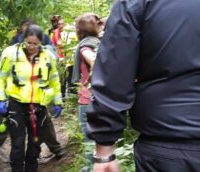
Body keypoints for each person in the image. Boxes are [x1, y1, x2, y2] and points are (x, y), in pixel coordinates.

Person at [86, 0, 200, 172]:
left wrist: (104, 149)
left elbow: (114, 71)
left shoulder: (137, 3)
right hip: (167, 144)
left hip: (168, 149)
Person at [0, 24, 63, 172]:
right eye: (28, 43)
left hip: (38, 106)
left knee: (35, 143)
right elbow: (0, 77)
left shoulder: (48, 56)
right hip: (16, 104)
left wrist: (58, 101)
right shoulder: (10, 54)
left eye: (35, 44)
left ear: (41, 43)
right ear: (23, 39)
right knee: (18, 144)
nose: (31, 46)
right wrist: (0, 99)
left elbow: (54, 80)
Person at [71, 13, 103, 172]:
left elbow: (94, 60)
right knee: (99, 143)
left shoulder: (86, 45)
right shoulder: (99, 43)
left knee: (91, 142)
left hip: (88, 100)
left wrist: (90, 79)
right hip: (102, 99)